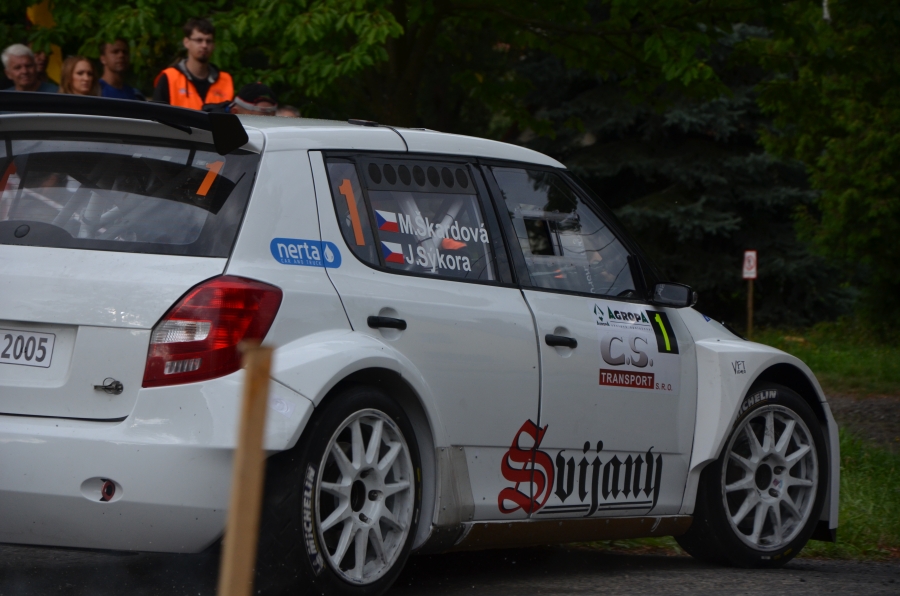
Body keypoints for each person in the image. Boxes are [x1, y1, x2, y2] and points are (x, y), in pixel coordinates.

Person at [153, 18, 233, 109]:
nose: (204, 45)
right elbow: (156, 115)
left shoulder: (225, 80)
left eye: (208, 41)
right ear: (186, 42)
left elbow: (234, 114)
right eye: (199, 40)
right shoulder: (169, 77)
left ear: (213, 45)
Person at [202, 82, 278, 116]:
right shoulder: (208, 130)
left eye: (272, 119)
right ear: (235, 112)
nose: (267, 127)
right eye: (259, 120)